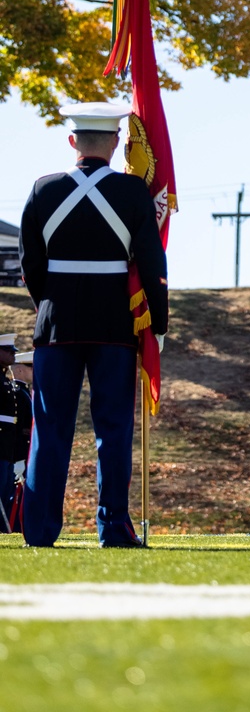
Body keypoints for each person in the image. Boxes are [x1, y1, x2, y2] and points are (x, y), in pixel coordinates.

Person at [18, 101, 168, 547]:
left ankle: (39, 530)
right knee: (114, 429)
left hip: (56, 323)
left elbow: (31, 265)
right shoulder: (132, 193)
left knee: (50, 430)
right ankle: (114, 529)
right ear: (117, 142)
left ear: (72, 141)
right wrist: (156, 323)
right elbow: (150, 262)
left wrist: (52, 302)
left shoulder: (42, 189)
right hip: (114, 327)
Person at [0, 334, 31, 532]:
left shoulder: (5, 381)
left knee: (5, 489)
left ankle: (4, 528)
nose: (13, 354)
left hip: (7, 445)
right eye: (8, 351)